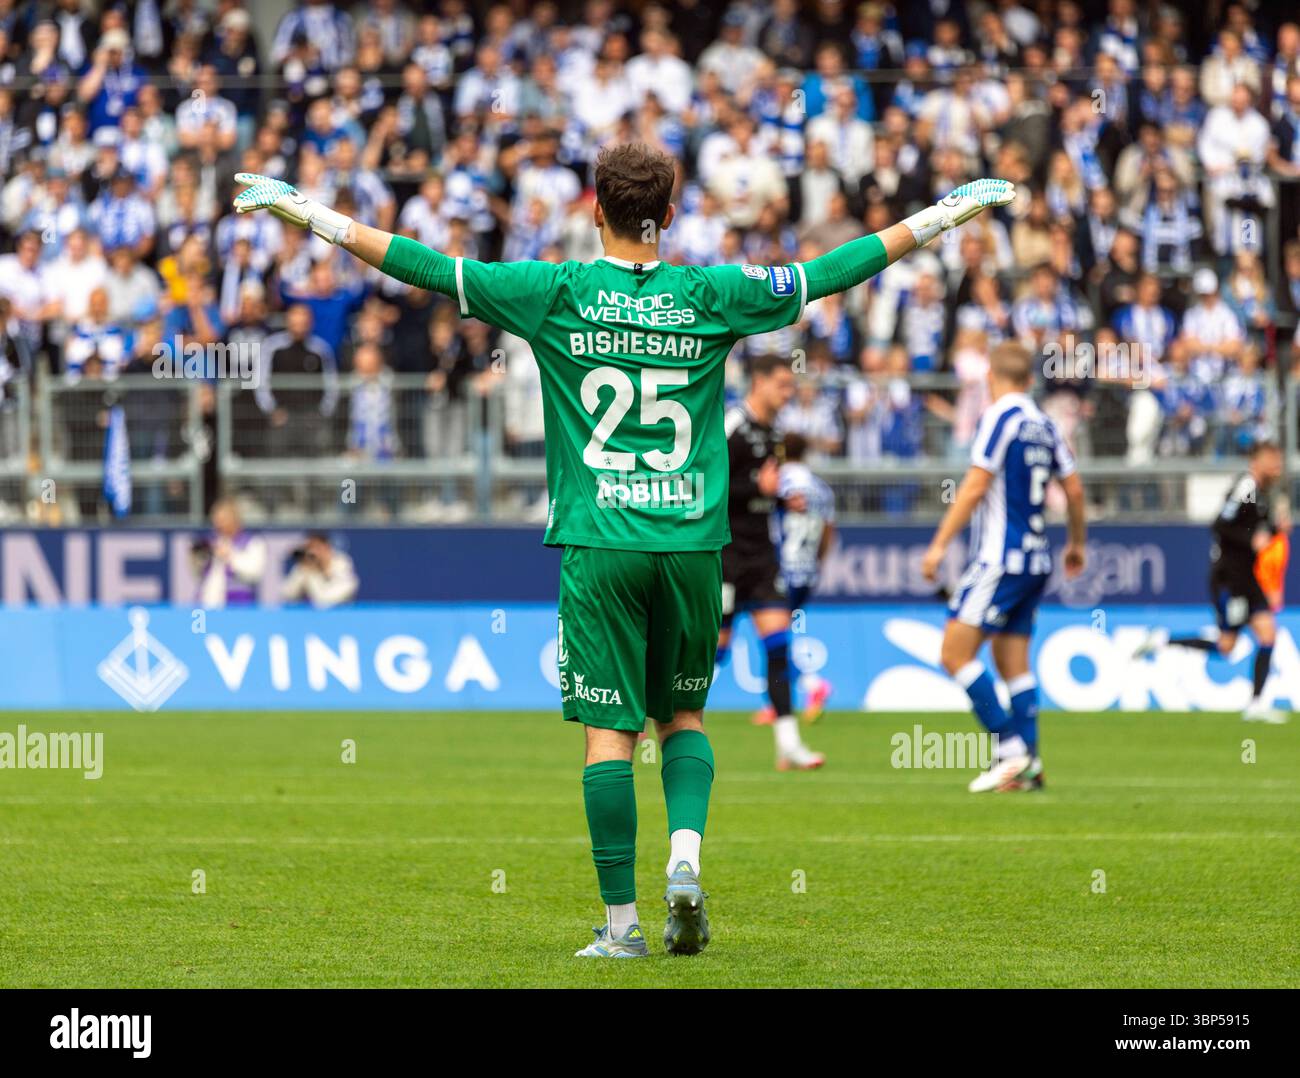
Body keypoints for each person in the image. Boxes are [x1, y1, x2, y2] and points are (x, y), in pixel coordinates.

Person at [232, 148, 1015, 957]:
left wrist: (307, 214)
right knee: (682, 716)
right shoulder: (713, 295)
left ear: (593, 210)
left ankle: (621, 927)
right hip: (691, 544)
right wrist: (944, 213)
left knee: (609, 735)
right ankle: (685, 861)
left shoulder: (554, 291)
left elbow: (427, 267)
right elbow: (829, 272)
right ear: (669, 217)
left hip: (600, 543)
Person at [921, 341, 1088, 793]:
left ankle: (1010, 749)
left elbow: (976, 485)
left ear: (993, 379)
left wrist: (938, 546)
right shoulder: (1045, 424)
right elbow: (1073, 490)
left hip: (999, 558)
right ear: (1030, 380)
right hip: (1037, 559)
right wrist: (1075, 543)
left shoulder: (1000, 417)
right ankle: (1030, 766)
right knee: (1012, 663)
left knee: (954, 654)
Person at [1134, 440, 1289, 723]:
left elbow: (1257, 530)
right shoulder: (1246, 487)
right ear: (1256, 461)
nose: (1277, 465)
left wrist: (1276, 528)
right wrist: (1252, 540)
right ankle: (1163, 641)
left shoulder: (1262, 494)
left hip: (1247, 578)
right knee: (1226, 647)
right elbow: (1220, 525)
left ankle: (1256, 703)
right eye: (1271, 458)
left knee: (1267, 634)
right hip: (1229, 578)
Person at [717, 355, 823, 761]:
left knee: (778, 646)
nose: (788, 392)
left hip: (762, 557)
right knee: (713, 654)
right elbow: (703, 484)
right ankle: (645, 716)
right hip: (725, 556)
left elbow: (760, 492)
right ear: (758, 382)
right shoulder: (731, 425)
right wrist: (753, 486)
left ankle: (789, 745)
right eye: (781, 384)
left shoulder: (775, 434)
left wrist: (780, 499)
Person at [775, 431, 836, 722]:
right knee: (781, 632)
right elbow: (828, 531)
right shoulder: (821, 488)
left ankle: (812, 684)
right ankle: (777, 698)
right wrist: (816, 562)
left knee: (773, 634)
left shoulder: (779, 480)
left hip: (780, 567)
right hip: (806, 569)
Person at [196, 498, 267, 608]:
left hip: (240, 609)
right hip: (210, 608)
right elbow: (203, 576)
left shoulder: (253, 542)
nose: (218, 525)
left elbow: (255, 572)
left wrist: (230, 556)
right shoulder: (213, 541)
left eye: (222, 520)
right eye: (216, 520)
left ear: (234, 519)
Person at [281, 533, 360, 608]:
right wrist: (302, 570)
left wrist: (315, 573)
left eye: (317, 548)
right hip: (313, 618)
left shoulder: (341, 563)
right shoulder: (306, 567)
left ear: (326, 547)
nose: (312, 552)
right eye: (309, 548)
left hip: (341, 617)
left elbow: (324, 601)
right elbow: (288, 594)